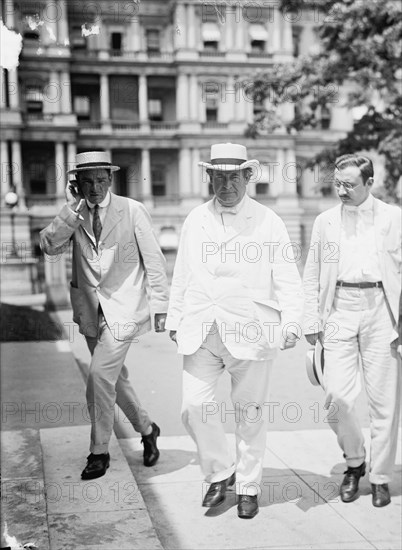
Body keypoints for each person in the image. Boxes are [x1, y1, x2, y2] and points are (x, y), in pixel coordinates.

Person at [165, 143, 304, 519]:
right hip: (202, 328)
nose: (226, 185)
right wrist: (175, 317)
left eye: (233, 176)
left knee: (250, 412)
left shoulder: (268, 220)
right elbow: (183, 272)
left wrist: (292, 321)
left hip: (251, 327)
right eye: (218, 176)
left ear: (248, 176)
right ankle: (219, 472)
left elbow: (287, 275)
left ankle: (248, 487)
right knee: (194, 406)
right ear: (208, 177)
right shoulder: (195, 218)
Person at [40, 151, 169, 480]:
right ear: (77, 185)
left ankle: (99, 451)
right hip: (89, 308)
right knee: (113, 379)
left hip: (124, 308)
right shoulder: (75, 213)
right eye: (87, 182)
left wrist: (161, 306)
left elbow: (154, 261)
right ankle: (147, 428)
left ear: (110, 180)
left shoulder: (133, 210)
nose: (95, 187)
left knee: (98, 376)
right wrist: (70, 212)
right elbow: (49, 246)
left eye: (100, 180)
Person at [303, 154, 401, 507]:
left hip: (382, 311)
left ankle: (379, 477)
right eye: (338, 183)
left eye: (349, 184)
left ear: (369, 182)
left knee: (384, 404)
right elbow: (311, 272)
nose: (341, 190)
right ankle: (355, 462)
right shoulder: (325, 221)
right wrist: (310, 321)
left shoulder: (394, 218)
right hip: (339, 309)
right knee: (336, 399)